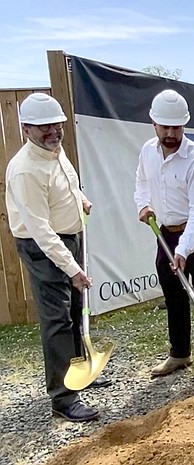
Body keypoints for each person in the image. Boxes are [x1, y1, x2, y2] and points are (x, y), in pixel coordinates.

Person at [6, 93, 102, 422]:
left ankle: (77, 374)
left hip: (68, 238)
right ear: (26, 129)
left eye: (57, 125)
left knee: (76, 312)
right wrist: (73, 270)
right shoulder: (25, 170)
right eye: (44, 127)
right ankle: (63, 398)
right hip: (43, 248)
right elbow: (41, 229)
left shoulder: (54, 152)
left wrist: (80, 199)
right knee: (58, 320)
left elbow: (65, 186)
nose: (52, 131)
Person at [134, 89, 194, 376]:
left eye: (177, 127)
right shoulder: (148, 151)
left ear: (184, 126)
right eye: (165, 127)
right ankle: (180, 354)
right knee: (173, 294)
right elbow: (142, 182)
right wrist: (144, 204)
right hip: (164, 232)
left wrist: (184, 250)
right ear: (154, 125)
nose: (171, 133)